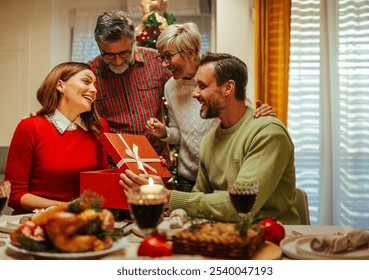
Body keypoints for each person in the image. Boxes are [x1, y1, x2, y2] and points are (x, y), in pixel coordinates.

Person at [120, 52, 300, 225]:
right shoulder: (209, 140)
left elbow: (240, 205)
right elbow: (197, 198)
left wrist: (168, 197)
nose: (195, 93)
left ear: (228, 88)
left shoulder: (267, 133)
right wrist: (168, 206)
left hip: (273, 239)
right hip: (223, 236)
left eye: (202, 86)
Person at [145, 22, 276, 192]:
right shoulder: (170, 87)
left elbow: (241, 114)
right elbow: (179, 135)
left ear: (190, 53)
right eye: (161, 57)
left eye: (168, 56)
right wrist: (164, 133)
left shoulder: (217, 75)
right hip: (189, 179)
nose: (164, 64)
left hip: (221, 175)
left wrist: (263, 115)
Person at [5, 62, 108, 214]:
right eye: (86, 81)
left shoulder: (98, 128)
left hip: (83, 222)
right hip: (34, 223)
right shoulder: (30, 127)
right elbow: (15, 195)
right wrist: (66, 207)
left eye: (95, 84)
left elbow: (100, 187)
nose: (94, 90)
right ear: (60, 85)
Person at [90, 10, 171, 161]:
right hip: (114, 163)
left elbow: (184, 89)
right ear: (99, 46)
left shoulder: (157, 61)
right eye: (108, 54)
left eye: (124, 53)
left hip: (156, 159)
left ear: (134, 41)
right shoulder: (90, 73)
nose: (118, 61)